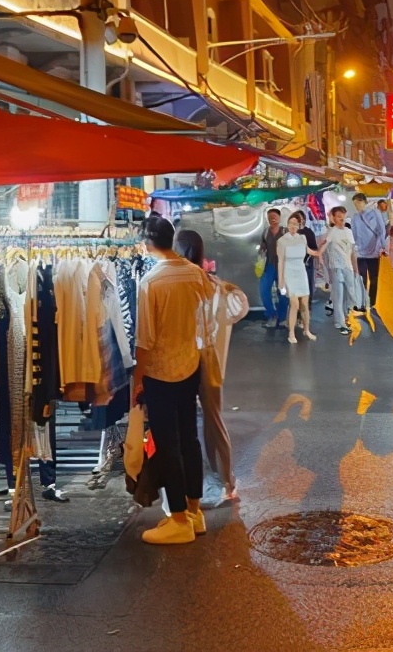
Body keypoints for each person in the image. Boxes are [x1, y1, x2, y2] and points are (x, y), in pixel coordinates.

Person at [134, 215, 213, 545]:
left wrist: (137, 382)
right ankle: (195, 513)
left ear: (149, 243)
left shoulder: (150, 282)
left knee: (167, 446)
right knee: (189, 440)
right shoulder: (196, 273)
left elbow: (144, 340)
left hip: (161, 372)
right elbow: (206, 322)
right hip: (190, 364)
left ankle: (178, 518)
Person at [173, 229, 247, 502]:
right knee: (213, 420)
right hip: (207, 355)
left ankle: (203, 482)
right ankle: (227, 482)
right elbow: (240, 308)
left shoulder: (177, 281)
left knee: (188, 421)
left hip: (184, 355)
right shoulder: (211, 282)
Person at [278, 211, 316, 345]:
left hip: (301, 272)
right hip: (289, 272)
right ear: (287, 225)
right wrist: (281, 281)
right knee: (294, 303)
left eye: (295, 224)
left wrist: (321, 251)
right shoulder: (282, 241)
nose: (293, 226)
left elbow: (309, 251)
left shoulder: (302, 238)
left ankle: (307, 330)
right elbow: (280, 261)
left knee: (305, 303)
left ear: (299, 225)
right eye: (290, 223)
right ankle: (291, 333)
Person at [321, 205, 358, 334]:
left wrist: (356, 269)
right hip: (336, 268)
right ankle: (340, 322)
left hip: (348, 267)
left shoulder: (348, 231)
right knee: (339, 295)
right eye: (339, 217)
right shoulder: (332, 232)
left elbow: (352, 251)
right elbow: (323, 248)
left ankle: (348, 318)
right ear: (333, 218)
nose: (341, 219)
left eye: (343, 216)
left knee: (351, 294)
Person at [350, 193, 387, 312]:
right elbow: (354, 234)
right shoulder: (355, 217)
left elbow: (382, 230)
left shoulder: (375, 213)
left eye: (357, 204)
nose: (356, 207)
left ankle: (372, 302)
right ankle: (361, 303)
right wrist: (353, 247)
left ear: (362, 201)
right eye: (354, 205)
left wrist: (383, 246)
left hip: (374, 251)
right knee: (361, 279)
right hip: (360, 252)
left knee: (374, 278)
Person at [258, 207, 288, 329]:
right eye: (270, 218)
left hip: (283, 267)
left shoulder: (285, 232)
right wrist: (260, 252)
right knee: (263, 290)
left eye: (275, 217)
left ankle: (282, 318)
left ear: (280, 218)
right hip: (269, 265)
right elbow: (263, 248)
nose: (273, 219)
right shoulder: (265, 232)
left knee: (283, 293)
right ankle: (271, 315)